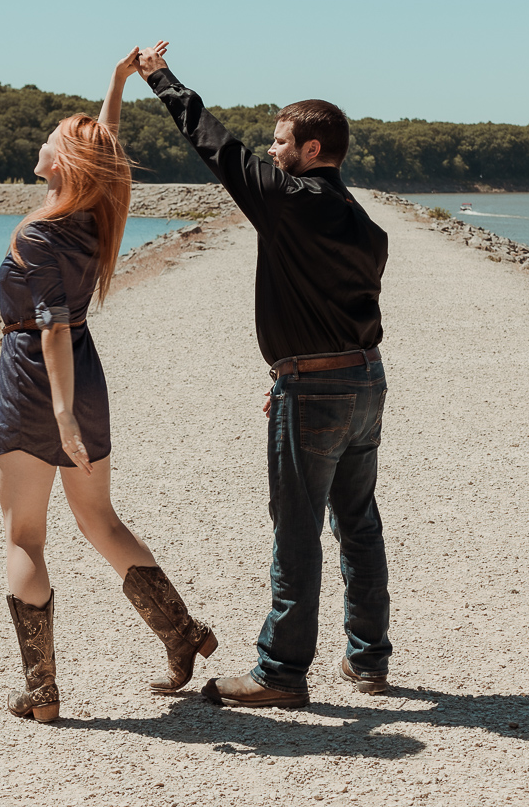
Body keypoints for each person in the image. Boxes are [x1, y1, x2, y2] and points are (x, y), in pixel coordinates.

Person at [137, 41, 392, 709]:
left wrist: (159, 76)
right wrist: (289, 368)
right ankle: (368, 660)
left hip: (317, 388)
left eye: (280, 141)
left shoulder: (287, 198)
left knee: (297, 527)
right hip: (365, 380)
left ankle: (279, 672)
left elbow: (215, 147)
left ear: (311, 150)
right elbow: (338, 308)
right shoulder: (367, 226)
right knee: (358, 521)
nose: (269, 149)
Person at [0, 46, 215, 723]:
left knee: (25, 537)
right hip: (84, 374)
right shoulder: (95, 212)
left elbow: (51, 330)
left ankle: (42, 690)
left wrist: (60, 418)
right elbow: (108, 148)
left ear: (63, 161)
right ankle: (183, 635)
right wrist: (118, 83)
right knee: (100, 519)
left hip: (41, 378)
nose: (46, 140)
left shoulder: (39, 233)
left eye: (53, 139)